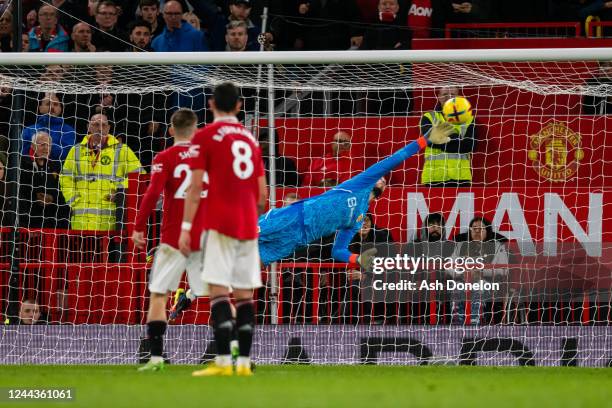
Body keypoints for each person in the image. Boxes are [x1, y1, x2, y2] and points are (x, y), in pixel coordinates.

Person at [171, 120, 456, 321]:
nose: (380, 176)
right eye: (379, 176)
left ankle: (191, 294)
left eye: (382, 180)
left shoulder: (357, 221)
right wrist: (425, 140)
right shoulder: (360, 183)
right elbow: (395, 158)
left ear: (381, 190)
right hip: (293, 217)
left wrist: (358, 260)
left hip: (295, 240)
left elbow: (337, 252)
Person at [179, 82, 267, 377]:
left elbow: (194, 189)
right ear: (239, 106)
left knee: (218, 292)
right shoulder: (251, 140)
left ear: (211, 104)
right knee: (244, 295)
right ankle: (243, 363)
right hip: (248, 224)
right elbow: (263, 196)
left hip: (219, 222)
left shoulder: (205, 136)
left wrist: (187, 227)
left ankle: (222, 362)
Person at [131, 109, 205, 372]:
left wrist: (138, 227)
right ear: (196, 130)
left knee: (159, 295)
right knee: (221, 296)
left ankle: (156, 357)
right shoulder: (207, 157)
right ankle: (229, 354)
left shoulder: (165, 157)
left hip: (174, 237)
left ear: (171, 130)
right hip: (204, 237)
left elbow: (152, 193)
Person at [60, 113, 144, 231]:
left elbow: (140, 176)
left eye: (103, 125)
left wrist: (120, 192)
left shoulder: (122, 150)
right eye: (96, 124)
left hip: (110, 220)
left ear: (109, 128)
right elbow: (65, 178)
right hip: (81, 221)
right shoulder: (76, 150)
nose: (100, 128)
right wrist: (74, 200)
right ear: (88, 127)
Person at [449, 216, 509, 325]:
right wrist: (463, 272)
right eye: (474, 228)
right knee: (456, 289)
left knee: (479, 287)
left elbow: (504, 269)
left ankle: (473, 323)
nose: (477, 231)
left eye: (481, 228)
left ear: (487, 231)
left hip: (488, 282)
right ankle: (458, 324)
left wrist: (481, 272)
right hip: (463, 281)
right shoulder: (461, 245)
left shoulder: (497, 245)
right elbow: (448, 267)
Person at [420, 86, 477, 187]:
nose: (449, 97)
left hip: (461, 178)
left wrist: (442, 139)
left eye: (453, 95)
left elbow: (469, 146)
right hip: (433, 177)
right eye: (445, 94)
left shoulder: (469, 118)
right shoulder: (429, 117)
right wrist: (456, 137)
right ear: (439, 97)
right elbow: (430, 141)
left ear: (458, 97)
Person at [19, 131, 69, 228]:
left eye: (49, 145)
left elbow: (61, 192)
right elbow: (19, 191)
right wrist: (35, 197)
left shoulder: (56, 166)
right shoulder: (22, 164)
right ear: (33, 146)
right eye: (42, 145)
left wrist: (52, 199)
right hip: (27, 222)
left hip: (50, 223)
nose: (46, 149)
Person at [21, 93, 76, 162]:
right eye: (48, 104)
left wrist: (42, 145)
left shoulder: (68, 130)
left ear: (61, 109)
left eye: (56, 104)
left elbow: (68, 154)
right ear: (40, 108)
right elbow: (23, 153)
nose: (52, 107)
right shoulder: (28, 130)